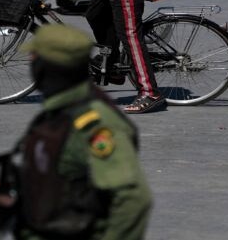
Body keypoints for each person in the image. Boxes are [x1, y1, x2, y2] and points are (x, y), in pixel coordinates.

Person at [15, 24, 153, 239]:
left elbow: (133, 198)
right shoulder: (59, 112)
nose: (31, 62)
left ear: (50, 65)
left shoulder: (95, 123)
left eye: (35, 56)